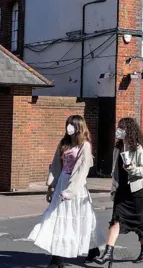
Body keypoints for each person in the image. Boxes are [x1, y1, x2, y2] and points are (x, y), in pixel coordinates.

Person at [28, 115, 105, 268]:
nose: (69, 127)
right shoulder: (64, 143)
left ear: (79, 127)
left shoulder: (85, 146)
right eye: (68, 124)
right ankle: (57, 257)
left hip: (76, 186)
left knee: (81, 218)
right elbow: (56, 164)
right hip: (62, 181)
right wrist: (51, 185)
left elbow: (83, 171)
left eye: (72, 125)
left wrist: (71, 191)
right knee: (59, 219)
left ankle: (92, 249)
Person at [94, 117, 143, 267]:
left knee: (141, 223)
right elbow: (115, 170)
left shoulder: (137, 148)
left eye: (121, 128)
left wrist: (131, 168)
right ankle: (108, 253)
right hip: (121, 190)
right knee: (117, 220)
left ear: (129, 130)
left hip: (136, 191)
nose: (118, 130)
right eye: (118, 127)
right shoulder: (117, 148)